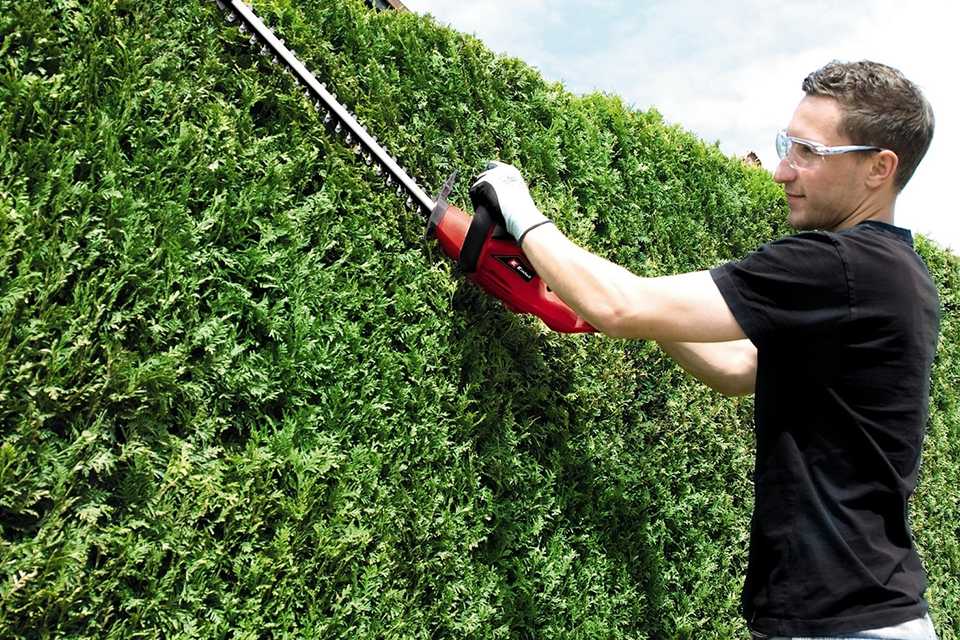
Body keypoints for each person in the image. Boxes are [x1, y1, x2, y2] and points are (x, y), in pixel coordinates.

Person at [472, 60, 940, 639]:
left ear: (879, 168)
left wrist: (518, 209)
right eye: (784, 145)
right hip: (848, 612)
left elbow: (622, 304)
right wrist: (634, 317)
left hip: (845, 624)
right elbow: (741, 368)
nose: (781, 171)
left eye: (808, 153)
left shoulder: (839, 265)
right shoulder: (896, 275)